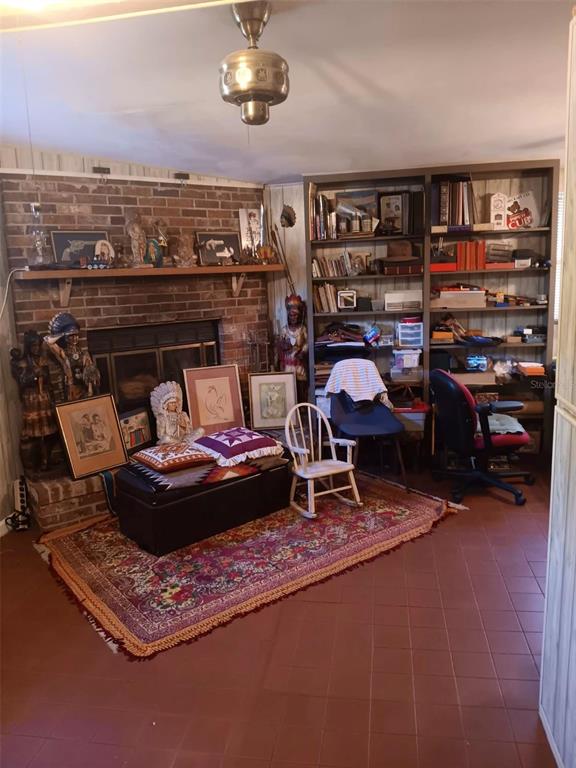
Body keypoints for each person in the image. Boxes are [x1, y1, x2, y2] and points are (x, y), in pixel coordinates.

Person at [10, 330, 58, 471]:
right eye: (34, 346)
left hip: (45, 398)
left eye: (38, 345)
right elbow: (23, 381)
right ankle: (41, 462)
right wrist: (34, 376)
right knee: (37, 434)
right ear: (29, 347)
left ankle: (47, 458)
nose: (37, 349)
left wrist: (52, 396)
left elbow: (48, 380)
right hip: (32, 399)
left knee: (51, 432)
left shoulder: (42, 360)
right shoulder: (23, 363)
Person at [44, 313, 101, 401]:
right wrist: (63, 333)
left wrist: (90, 390)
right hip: (71, 387)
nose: (74, 338)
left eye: (76, 335)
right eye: (71, 335)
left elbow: (89, 373)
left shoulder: (83, 353)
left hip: (84, 386)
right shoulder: (63, 353)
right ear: (66, 337)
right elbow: (48, 341)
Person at [278, 294, 308, 401]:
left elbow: (307, 343)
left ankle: (302, 405)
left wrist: (303, 351)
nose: (293, 317)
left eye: (295, 315)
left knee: (301, 385)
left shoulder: (302, 329)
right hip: (288, 363)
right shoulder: (285, 330)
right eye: (291, 315)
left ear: (299, 316)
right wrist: (283, 345)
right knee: (289, 386)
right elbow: (280, 345)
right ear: (288, 316)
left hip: (299, 362)